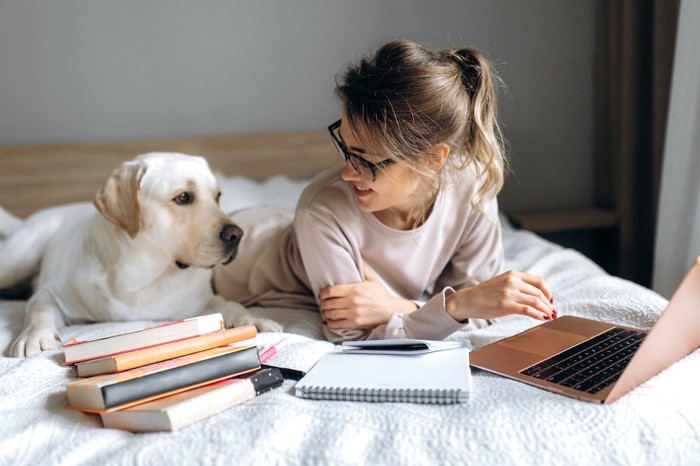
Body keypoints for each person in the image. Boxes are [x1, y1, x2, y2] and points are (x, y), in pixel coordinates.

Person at [214, 39, 555, 343]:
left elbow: (479, 305)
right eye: (345, 149)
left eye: (367, 161)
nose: (348, 172)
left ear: (435, 158)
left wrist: (401, 307)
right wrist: (452, 306)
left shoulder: (473, 184)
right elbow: (352, 335)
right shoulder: (320, 210)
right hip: (242, 259)